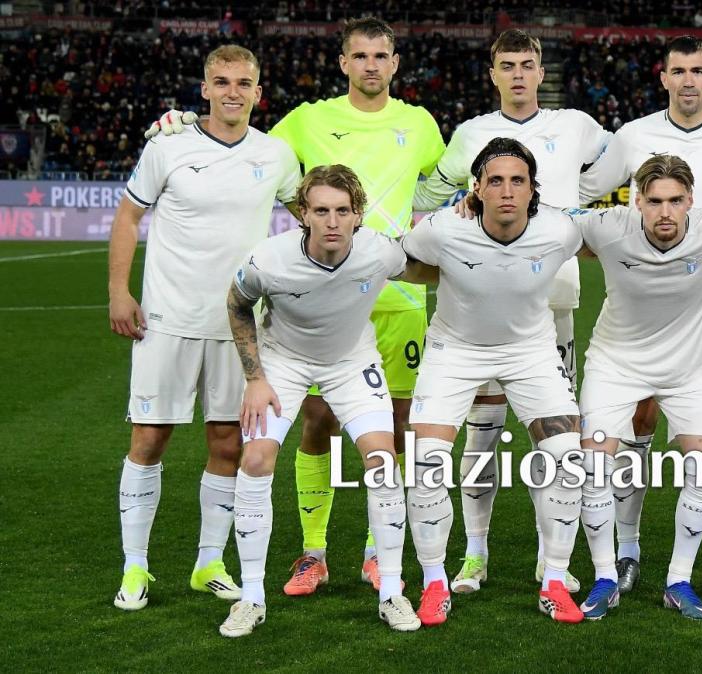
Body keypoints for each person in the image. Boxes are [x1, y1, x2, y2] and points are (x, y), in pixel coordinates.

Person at [146, 17, 446, 595]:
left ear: (395, 63)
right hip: (318, 301)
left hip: (399, 296)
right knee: (318, 422)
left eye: (381, 56)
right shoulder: (308, 120)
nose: (371, 66)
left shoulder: (420, 123)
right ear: (343, 63)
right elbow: (243, 140)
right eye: (359, 56)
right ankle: (314, 551)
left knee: (397, 429)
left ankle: (375, 554)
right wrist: (185, 124)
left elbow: (441, 183)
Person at [412, 29, 611, 594]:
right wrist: (453, 208)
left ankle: (555, 563)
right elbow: (432, 195)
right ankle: (474, 553)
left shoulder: (574, 123)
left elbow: (617, 163)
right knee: (483, 430)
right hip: (475, 309)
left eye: (528, 64)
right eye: (508, 65)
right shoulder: (472, 132)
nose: (519, 74)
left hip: (552, 301)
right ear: (493, 72)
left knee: (555, 438)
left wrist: (571, 202)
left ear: (540, 69)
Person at [579, 35, 702, 595]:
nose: (689, 80)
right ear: (662, 77)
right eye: (678, 71)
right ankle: (627, 548)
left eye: (698, 71)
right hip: (644, 299)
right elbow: (586, 190)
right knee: (637, 420)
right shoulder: (634, 135)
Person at [109, 45, 300, 612]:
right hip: (164, 322)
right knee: (149, 439)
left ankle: (208, 562)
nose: (233, 91)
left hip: (238, 326)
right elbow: (128, 216)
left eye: (244, 83)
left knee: (226, 443)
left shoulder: (277, 155)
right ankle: (135, 567)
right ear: (205, 88)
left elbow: (312, 211)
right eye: (222, 82)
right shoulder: (168, 145)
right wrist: (120, 291)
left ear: (258, 93)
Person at [568, 155, 702, 620]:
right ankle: (606, 576)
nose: (664, 212)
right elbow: (542, 218)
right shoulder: (606, 226)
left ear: (690, 200)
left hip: (687, 372)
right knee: (595, 469)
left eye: (674, 201)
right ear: (636, 201)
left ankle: (678, 580)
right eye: (653, 202)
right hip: (613, 367)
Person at [221, 164, 425, 637]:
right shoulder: (269, 259)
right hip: (283, 362)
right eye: (320, 211)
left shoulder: (379, 252)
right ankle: (251, 598)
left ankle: (392, 590)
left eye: (341, 211)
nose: (331, 221)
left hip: (351, 362)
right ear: (302, 215)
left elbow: (427, 265)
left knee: (382, 459)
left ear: (358, 215)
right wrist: (254, 377)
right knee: (255, 458)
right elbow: (236, 303)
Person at [400, 138, 587, 626]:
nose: (507, 190)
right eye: (495, 181)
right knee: (426, 465)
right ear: (476, 188)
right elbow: (408, 261)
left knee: (567, 458)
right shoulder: (444, 229)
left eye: (517, 181)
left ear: (533, 190)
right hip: (454, 351)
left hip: (530, 352)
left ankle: (554, 581)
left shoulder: (559, 231)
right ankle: (434, 582)